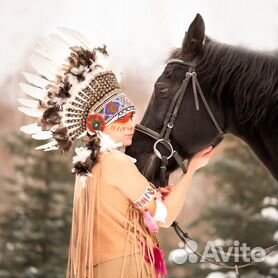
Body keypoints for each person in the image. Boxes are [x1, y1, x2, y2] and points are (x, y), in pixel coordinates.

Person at [18, 29, 214, 278]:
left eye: (132, 116)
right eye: (121, 118)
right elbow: (163, 217)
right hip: (127, 269)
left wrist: (152, 194)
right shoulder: (117, 162)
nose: (132, 124)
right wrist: (192, 169)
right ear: (97, 125)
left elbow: (121, 207)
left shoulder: (88, 167)